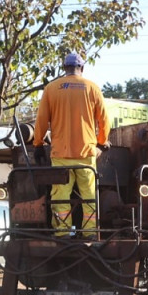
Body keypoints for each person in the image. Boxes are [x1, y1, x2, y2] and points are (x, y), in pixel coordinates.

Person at [32, 52, 110, 236]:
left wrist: (38, 144)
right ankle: (90, 232)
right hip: (86, 153)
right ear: (81, 68)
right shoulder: (92, 88)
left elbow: (41, 120)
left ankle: (62, 232)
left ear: (64, 68)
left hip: (61, 154)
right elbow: (104, 120)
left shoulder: (51, 89)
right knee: (89, 195)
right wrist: (101, 143)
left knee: (60, 195)